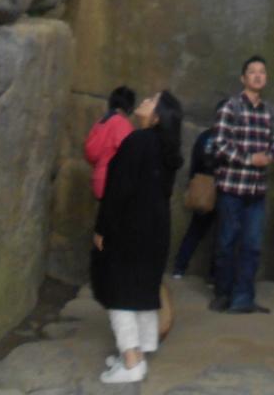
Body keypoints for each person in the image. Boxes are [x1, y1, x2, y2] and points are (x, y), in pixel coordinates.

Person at [91, 90, 184, 384]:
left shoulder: (138, 141)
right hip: (155, 230)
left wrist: (102, 228)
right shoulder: (167, 148)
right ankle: (138, 354)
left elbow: (117, 191)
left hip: (129, 229)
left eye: (152, 100)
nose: (144, 101)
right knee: (142, 290)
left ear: (157, 116)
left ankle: (131, 360)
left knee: (120, 293)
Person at [209, 55, 274, 314]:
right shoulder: (230, 107)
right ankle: (223, 293)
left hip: (256, 191)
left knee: (252, 246)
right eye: (252, 71)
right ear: (243, 78)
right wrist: (250, 159)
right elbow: (220, 145)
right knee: (227, 242)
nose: (258, 75)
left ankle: (244, 298)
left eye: (262, 72)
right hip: (232, 188)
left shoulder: (269, 111)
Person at [172, 97, 228, 279]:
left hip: (203, 187)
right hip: (224, 189)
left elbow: (195, 164)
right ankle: (213, 275)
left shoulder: (205, 137)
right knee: (220, 235)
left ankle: (179, 267)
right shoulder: (230, 140)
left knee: (195, 230)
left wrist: (193, 183)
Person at [83, 86, 135, 200]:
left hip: (98, 179)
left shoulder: (101, 122)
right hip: (113, 182)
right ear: (129, 108)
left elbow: (90, 152)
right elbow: (129, 153)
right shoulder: (122, 123)